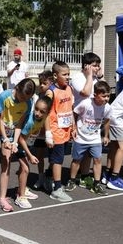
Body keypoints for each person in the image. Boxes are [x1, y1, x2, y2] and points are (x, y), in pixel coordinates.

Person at [0, 78, 36, 212]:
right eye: (22, 97)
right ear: (17, 88)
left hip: (14, 134)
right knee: (3, 162)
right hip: (1, 130)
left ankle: (19, 193)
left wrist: (14, 142)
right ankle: (0, 197)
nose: (24, 100)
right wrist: (5, 139)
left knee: (21, 164)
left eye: (27, 98)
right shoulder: (4, 96)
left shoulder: (28, 102)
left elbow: (19, 124)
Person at [66, 80, 111, 196]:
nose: (106, 98)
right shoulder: (86, 103)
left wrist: (106, 136)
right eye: (104, 96)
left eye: (108, 96)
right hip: (80, 138)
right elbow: (74, 113)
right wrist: (74, 128)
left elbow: (107, 121)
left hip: (95, 139)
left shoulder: (107, 108)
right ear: (95, 95)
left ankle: (97, 184)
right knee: (76, 160)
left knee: (98, 160)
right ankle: (72, 180)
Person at [69, 52, 105, 185]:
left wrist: (99, 77)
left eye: (98, 65)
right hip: (78, 115)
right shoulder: (77, 77)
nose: (97, 68)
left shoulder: (95, 78)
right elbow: (86, 92)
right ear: (86, 66)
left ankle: (84, 175)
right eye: (95, 65)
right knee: (79, 152)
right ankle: (68, 177)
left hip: (93, 117)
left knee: (90, 151)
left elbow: (103, 92)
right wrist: (90, 76)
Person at [44, 61, 75, 202]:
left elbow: (69, 109)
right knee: (58, 159)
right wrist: (48, 134)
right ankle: (57, 189)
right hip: (55, 131)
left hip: (66, 130)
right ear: (55, 76)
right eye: (64, 74)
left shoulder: (69, 88)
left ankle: (48, 176)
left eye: (68, 74)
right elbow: (45, 113)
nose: (67, 77)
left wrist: (73, 126)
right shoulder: (51, 92)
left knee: (56, 158)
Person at [16, 96, 52, 207]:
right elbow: (20, 139)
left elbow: (47, 121)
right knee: (26, 169)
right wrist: (30, 155)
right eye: (36, 109)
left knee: (22, 169)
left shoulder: (44, 118)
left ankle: (22, 188)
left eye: (42, 111)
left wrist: (49, 137)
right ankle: (20, 197)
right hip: (19, 145)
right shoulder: (30, 122)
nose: (37, 113)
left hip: (28, 144)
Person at [31, 70, 54, 193]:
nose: (41, 85)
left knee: (53, 156)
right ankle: (40, 177)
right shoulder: (39, 95)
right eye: (40, 83)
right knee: (39, 155)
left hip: (50, 131)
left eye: (44, 83)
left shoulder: (51, 95)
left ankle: (49, 175)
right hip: (40, 132)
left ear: (51, 83)